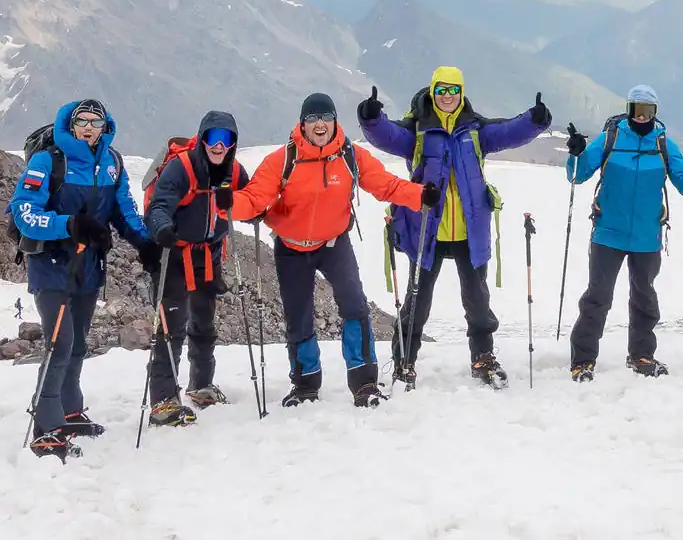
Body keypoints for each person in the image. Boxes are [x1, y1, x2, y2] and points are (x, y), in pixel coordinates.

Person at [357, 67, 552, 388]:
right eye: (442, 91)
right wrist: (371, 118)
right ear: (433, 93)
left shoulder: (474, 129)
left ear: (462, 93)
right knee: (417, 303)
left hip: (468, 231)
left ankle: (482, 357)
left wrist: (535, 119)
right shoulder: (418, 131)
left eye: (453, 90)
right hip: (427, 230)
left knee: (477, 301)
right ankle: (405, 361)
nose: (448, 96)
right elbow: (387, 135)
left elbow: (508, 132)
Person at [234, 93, 431, 407]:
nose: (319, 124)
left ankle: (364, 382)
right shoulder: (283, 160)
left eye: (325, 116)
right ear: (302, 123)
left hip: (335, 244)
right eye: (312, 118)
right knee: (298, 317)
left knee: (354, 307)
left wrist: (420, 196)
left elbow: (386, 185)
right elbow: (255, 198)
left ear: (335, 120)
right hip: (291, 247)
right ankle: (305, 385)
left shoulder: (350, 155)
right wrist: (227, 205)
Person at [8, 99, 157, 458]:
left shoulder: (112, 163)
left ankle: (70, 412)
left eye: (96, 121)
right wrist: (70, 225)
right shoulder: (48, 161)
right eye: (82, 121)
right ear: (70, 125)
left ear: (105, 126)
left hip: (89, 269)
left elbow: (124, 210)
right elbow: (24, 212)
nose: (89, 127)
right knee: (59, 345)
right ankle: (46, 425)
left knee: (77, 345)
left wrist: (144, 243)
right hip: (52, 267)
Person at [564, 85, 683, 379]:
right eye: (636, 110)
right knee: (597, 298)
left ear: (655, 113)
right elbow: (578, 175)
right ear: (628, 110)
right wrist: (576, 154)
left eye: (647, 111)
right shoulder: (611, 138)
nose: (641, 117)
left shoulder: (663, 143)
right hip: (608, 232)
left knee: (644, 299)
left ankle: (641, 356)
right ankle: (582, 359)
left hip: (646, 236)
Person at [143, 110, 251, 427]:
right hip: (174, 254)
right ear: (202, 139)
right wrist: (161, 227)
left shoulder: (234, 171)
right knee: (171, 326)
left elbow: (253, 197)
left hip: (209, 255)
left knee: (204, 322)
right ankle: (163, 400)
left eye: (227, 139)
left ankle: (201, 386)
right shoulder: (181, 168)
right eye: (213, 138)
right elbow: (159, 205)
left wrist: (252, 208)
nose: (219, 146)